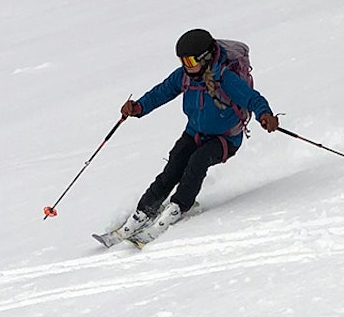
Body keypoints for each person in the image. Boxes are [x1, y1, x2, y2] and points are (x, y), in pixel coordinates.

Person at [116, 28, 278, 239]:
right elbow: (161, 92)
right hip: (194, 133)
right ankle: (144, 210)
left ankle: (179, 206)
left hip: (225, 139)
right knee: (174, 166)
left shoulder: (225, 78)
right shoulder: (184, 77)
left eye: (191, 61)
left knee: (198, 161)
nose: (186, 66)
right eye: (182, 61)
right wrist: (138, 107)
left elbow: (252, 98)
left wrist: (265, 114)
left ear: (206, 57)